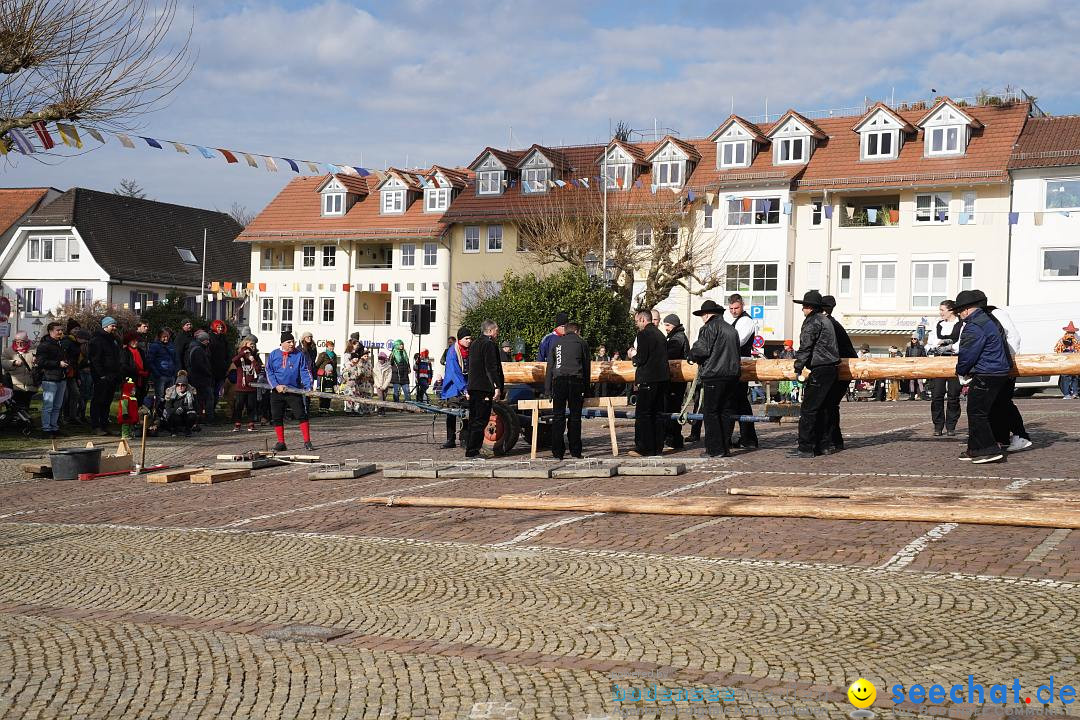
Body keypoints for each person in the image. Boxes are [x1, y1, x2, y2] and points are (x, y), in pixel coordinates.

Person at [954, 290, 1010, 464]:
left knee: (977, 412)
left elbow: (968, 353)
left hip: (987, 372)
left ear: (966, 310)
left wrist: (961, 370)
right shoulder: (988, 320)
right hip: (998, 371)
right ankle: (975, 449)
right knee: (980, 411)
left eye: (960, 311)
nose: (960, 315)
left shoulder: (974, 325)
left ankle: (988, 449)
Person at [789, 291, 839, 459]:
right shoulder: (826, 320)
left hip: (820, 368)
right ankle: (823, 445)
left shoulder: (812, 322)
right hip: (831, 368)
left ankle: (806, 447)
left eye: (804, 306)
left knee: (809, 410)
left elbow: (805, 346)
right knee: (823, 408)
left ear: (808, 307)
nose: (802, 309)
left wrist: (798, 367)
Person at [689, 300, 741, 458]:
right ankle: (724, 447)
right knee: (726, 412)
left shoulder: (708, 328)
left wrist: (691, 355)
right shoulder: (732, 329)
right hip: (732, 375)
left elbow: (701, 350)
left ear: (706, 315)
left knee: (711, 412)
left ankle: (714, 449)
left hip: (714, 374)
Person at [545, 320, 590, 459]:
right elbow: (586, 367)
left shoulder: (556, 343)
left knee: (558, 417)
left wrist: (548, 389)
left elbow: (550, 367)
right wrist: (587, 389)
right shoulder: (582, 343)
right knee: (575, 418)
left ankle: (557, 451)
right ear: (577, 331)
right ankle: (575, 451)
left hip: (558, 381)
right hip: (576, 381)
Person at [629, 309, 669, 457]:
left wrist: (633, 355)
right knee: (657, 414)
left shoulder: (643, 334)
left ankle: (643, 447)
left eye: (637, 321)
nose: (636, 324)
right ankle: (657, 447)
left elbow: (642, 358)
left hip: (648, 379)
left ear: (642, 320)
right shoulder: (660, 335)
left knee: (643, 414)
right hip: (662, 379)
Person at [266, 331, 315, 451]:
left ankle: (307, 441)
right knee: (277, 416)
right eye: (289, 342)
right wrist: (276, 385)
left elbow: (305, 371)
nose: (292, 344)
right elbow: (269, 371)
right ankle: (281, 442)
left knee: (301, 415)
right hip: (278, 391)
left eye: (293, 341)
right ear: (282, 343)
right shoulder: (274, 354)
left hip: (294, 390)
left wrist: (308, 387)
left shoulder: (299, 355)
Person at [820, 295, 856, 453]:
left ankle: (828, 441)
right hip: (843, 368)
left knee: (827, 405)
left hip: (839, 368)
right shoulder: (832, 323)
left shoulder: (828, 324)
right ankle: (835, 440)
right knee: (831, 405)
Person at [723, 294, 758, 450]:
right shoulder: (734, 320)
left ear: (742, 305)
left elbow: (738, 341)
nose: (733, 311)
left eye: (736, 308)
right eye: (731, 308)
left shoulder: (747, 321)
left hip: (740, 364)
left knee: (733, 402)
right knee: (740, 403)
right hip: (733, 362)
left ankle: (741, 437)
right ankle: (747, 438)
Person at [464, 321, 503, 458]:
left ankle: (470, 448)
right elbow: (491, 367)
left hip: (473, 386)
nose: (498, 332)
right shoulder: (489, 344)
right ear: (491, 331)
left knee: (474, 419)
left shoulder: (474, 344)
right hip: (483, 387)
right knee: (481, 420)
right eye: (496, 330)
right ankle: (473, 451)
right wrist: (496, 386)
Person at [927, 300, 962, 435]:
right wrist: (937, 345)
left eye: (942, 310)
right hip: (939, 362)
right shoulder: (937, 324)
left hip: (954, 361)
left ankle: (951, 426)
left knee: (953, 395)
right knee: (937, 395)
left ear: (951, 310)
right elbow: (930, 343)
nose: (940, 313)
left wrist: (951, 346)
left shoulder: (961, 324)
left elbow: (962, 342)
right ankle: (938, 426)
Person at [35, 322, 70, 438]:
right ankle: (46, 429)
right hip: (50, 378)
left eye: (61, 330)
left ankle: (54, 427)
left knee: (57, 406)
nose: (60, 332)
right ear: (50, 331)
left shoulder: (60, 344)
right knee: (48, 406)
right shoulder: (44, 345)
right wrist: (58, 363)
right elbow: (40, 362)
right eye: (58, 330)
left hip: (61, 378)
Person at [88, 317, 122, 435]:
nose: (114, 328)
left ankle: (104, 424)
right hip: (102, 376)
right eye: (112, 326)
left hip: (112, 375)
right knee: (98, 400)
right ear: (105, 326)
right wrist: (101, 374)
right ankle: (96, 426)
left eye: (115, 326)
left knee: (107, 401)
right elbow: (95, 359)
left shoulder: (113, 340)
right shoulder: (97, 340)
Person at [662, 314, 690, 450]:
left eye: (667, 325)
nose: (665, 328)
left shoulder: (677, 338)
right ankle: (673, 437)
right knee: (672, 407)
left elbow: (670, 354)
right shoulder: (676, 336)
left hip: (676, 379)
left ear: (674, 325)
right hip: (677, 379)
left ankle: (674, 438)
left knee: (672, 408)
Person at [440, 327, 471, 448]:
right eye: (466, 338)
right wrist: (464, 389)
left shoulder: (468, 351)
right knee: (452, 413)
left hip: (466, 385)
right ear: (460, 339)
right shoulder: (453, 352)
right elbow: (455, 373)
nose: (469, 340)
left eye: (470, 338)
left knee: (466, 413)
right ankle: (450, 439)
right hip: (453, 387)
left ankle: (464, 438)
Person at [231, 337, 262, 431]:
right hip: (241, 386)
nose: (252, 346)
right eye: (250, 344)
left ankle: (251, 423)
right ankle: (237, 423)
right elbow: (234, 360)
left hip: (252, 386)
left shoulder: (255, 356)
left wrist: (253, 360)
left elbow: (258, 369)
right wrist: (242, 353)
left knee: (251, 406)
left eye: (253, 345)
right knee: (239, 406)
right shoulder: (240, 358)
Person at [1, 330, 36, 413]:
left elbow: (40, 360)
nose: (19, 344)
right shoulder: (8, 350)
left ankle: (25, 422)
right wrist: (13, 363)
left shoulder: (33, 349)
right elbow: (2, 361)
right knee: (15, 407)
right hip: (14, 385)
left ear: (27, 340)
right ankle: (14, 422)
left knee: (26, 406)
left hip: (29, 384)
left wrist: (36, 360)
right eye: (17, 342)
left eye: (22, 342)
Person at [185, 330, 214, 427]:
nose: (208, 342)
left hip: (197, 378)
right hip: (201, 379)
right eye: (207, 340)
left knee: (200, 399)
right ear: (203, 340)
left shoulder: (193, 347)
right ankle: (208, 419)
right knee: (208, 398)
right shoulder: (198, 350)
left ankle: (200, 418)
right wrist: (208, 372)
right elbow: (199, 365)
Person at [162, 370, 198, 437]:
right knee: (172, 416)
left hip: (186, 413)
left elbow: (195, 407)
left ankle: (188, 429)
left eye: (183, 385)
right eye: (178, 385)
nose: (180, 387)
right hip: (175, 414)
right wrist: (176, 410)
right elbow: (167, 407)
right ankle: (174, 430)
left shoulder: (191, 393)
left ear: (186, 386)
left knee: (192, 415)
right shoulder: (171, 392)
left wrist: (184, 409)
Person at [120, 332, 151, 406]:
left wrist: (147, 371)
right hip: (130, 379)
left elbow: (145, 363)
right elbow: (123, 366)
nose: (136, 342)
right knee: (127, 400)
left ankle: (137, 415)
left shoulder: (141, 351)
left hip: (141, 379)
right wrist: (137, 372)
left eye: (137, 341)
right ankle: (126, 416)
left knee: (139, 399)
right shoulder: (125, 351)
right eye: (133, 341)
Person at [148, 328, 178, 403]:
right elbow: (150, 361)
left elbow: (175, 359)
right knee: (160, 397)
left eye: (167, 336)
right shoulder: (155, 346)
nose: (166, 338)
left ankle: (167, 412)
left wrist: (175, 371)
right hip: (161, 375)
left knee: (170, 396)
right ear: (159, 337)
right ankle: (159, 412)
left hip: (171, 375)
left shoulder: (171, 346)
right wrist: (157, 374)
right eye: (164, 337)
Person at [209, 319, 231, 412]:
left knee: (218, 391)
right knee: (211, 391)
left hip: (222, 369)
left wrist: (226, 364)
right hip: (212, 369)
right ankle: (209, 411)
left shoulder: (224, 339)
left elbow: (228, 353)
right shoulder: (210, 338)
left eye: (221, 327)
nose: (220, 329)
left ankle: (213, 410)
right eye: (218, 327)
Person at [314, 340, 339, 411]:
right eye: (330, 346)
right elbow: (317, 364)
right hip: (323, 376)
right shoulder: (323, 354)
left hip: (331, 375)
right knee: (323, 391)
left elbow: (335, 367)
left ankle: (327, 407)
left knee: (330, 391)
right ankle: (321, 407)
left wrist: (335, 378)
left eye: (332, 346)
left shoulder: (334, 355)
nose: (332, 348)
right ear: (327, 347)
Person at [1055, 321, 1078, 399]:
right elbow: (1057, 350)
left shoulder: (1076, 341)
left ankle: (1075, 393)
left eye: (1072, 332)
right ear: (1067, 332)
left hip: (1074, 362)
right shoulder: (1062, 340)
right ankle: (1066, 394)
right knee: (1065, 377)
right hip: (1065, 362)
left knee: (1075, 377)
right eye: (1070, 332)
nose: (1071, 334)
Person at [904, 334, 927, 400]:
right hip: (911, 365)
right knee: (911, 381)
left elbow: (924, 356)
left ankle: (923, 395)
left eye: (914, 338)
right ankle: (912, 396)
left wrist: (919, 361)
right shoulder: (909, 347)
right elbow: (906, 357)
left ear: (917, 339)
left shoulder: (921, 347)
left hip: (918, 365)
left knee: (920, 381)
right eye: (912, 339)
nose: (913, 340)